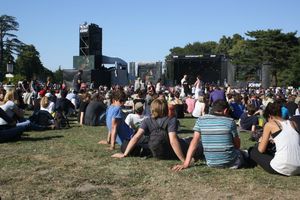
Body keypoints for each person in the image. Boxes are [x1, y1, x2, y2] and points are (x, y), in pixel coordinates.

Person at [112, 99, 200, 161]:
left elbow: (136, 137)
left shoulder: (147, 121)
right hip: (169, 150)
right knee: (195, 144)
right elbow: (173, 140)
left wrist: (125, 154)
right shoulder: (171, 120)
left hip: (156, 152)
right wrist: (183, 160)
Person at [172, 100, 247, 171]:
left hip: (211, 163)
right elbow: (237, 146)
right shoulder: (230, 121)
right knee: (243, 153)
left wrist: (186, 163)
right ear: (225, 111)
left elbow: (194, 142)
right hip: (231, 163)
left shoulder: (201, 120)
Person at [249, 101, 300, 176]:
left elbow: (261, 149)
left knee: (253, 150)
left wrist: (260, 141)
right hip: (298, 167)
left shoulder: (269, 124)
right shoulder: (293, 123)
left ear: (270, 116)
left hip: (282, 167)